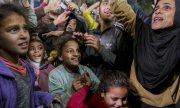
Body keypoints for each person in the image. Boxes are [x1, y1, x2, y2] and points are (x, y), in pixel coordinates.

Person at [109, 0, 180, 107]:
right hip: (135, 102)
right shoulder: (141, 31)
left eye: (166, 8)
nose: (158, 11)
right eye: (156, 8)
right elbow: (118, 6)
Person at [0, 3, 54, 108]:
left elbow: (27, 96)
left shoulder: (26, 67)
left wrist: (45, 98)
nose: (24, 35)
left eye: (25, 28)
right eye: (14, 29)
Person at [48, 36, 100, 108]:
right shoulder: (55, 75)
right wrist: (72, 90)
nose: (76, 54)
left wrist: (91, 84)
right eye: (70, 51)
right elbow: (57, 105)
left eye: (78, 50)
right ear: (60, 56)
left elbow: (102, 91)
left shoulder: (85, 69)